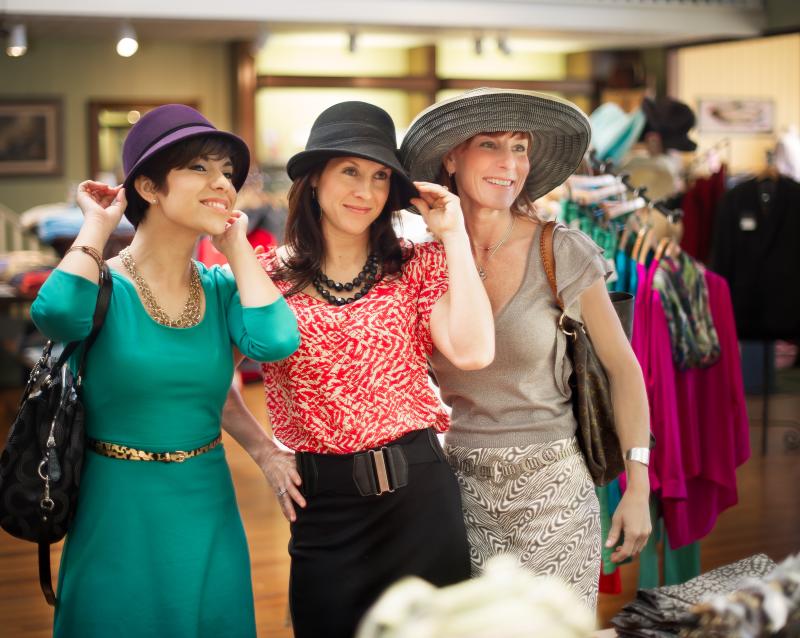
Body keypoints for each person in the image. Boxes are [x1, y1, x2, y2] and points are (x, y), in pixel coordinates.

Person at [222, 100, 495, 638]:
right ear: (315, 179)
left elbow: (473, 352)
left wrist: (454, 236)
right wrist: (264, 453)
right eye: (349, 171)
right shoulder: (265, 276)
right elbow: (210, 379)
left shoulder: (418, 263)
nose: (364, 192)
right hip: (324, 508)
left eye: (378, 177)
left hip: (420, 497)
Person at [30, 104, 300, 637]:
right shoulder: (104, 286)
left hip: (207, 501)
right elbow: (56, 313)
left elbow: (276, 341)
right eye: (200, 167)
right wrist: (96, 225)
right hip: (116, 507)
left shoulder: (222, 288)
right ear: (149, 188)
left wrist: (237, 247)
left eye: (226, 171)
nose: (221, 182)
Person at [400, 88, 653, 611]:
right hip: (457, 491)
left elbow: (624, 370)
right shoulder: (420, 264)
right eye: (490, 144)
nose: (508, 162)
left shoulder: (562, 250)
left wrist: (639, 485)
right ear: (452, 156)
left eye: (520, 147)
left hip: (553, 489)